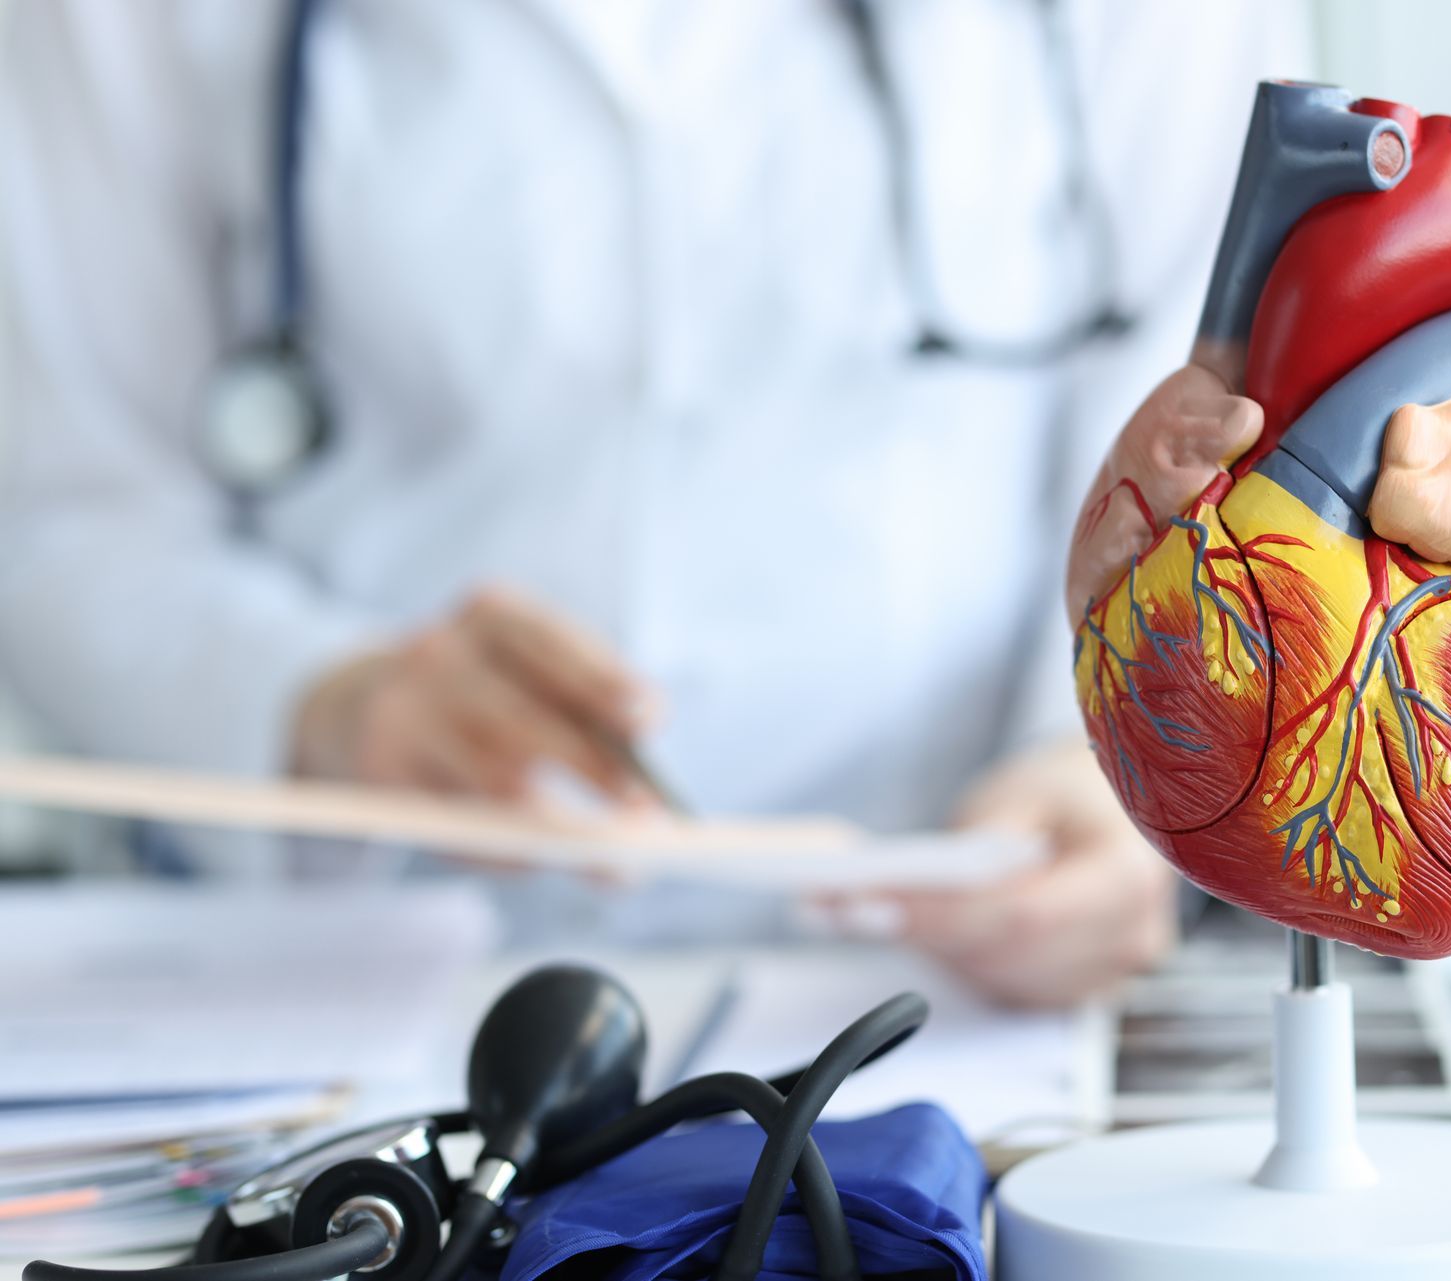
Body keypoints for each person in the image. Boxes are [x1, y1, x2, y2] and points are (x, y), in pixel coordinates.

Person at [0, 0, 1311, 1006]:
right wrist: (318, 698)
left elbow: (1214, 411)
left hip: (958, 965)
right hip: (353, 974)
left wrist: (1106, 765)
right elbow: (57, 498)